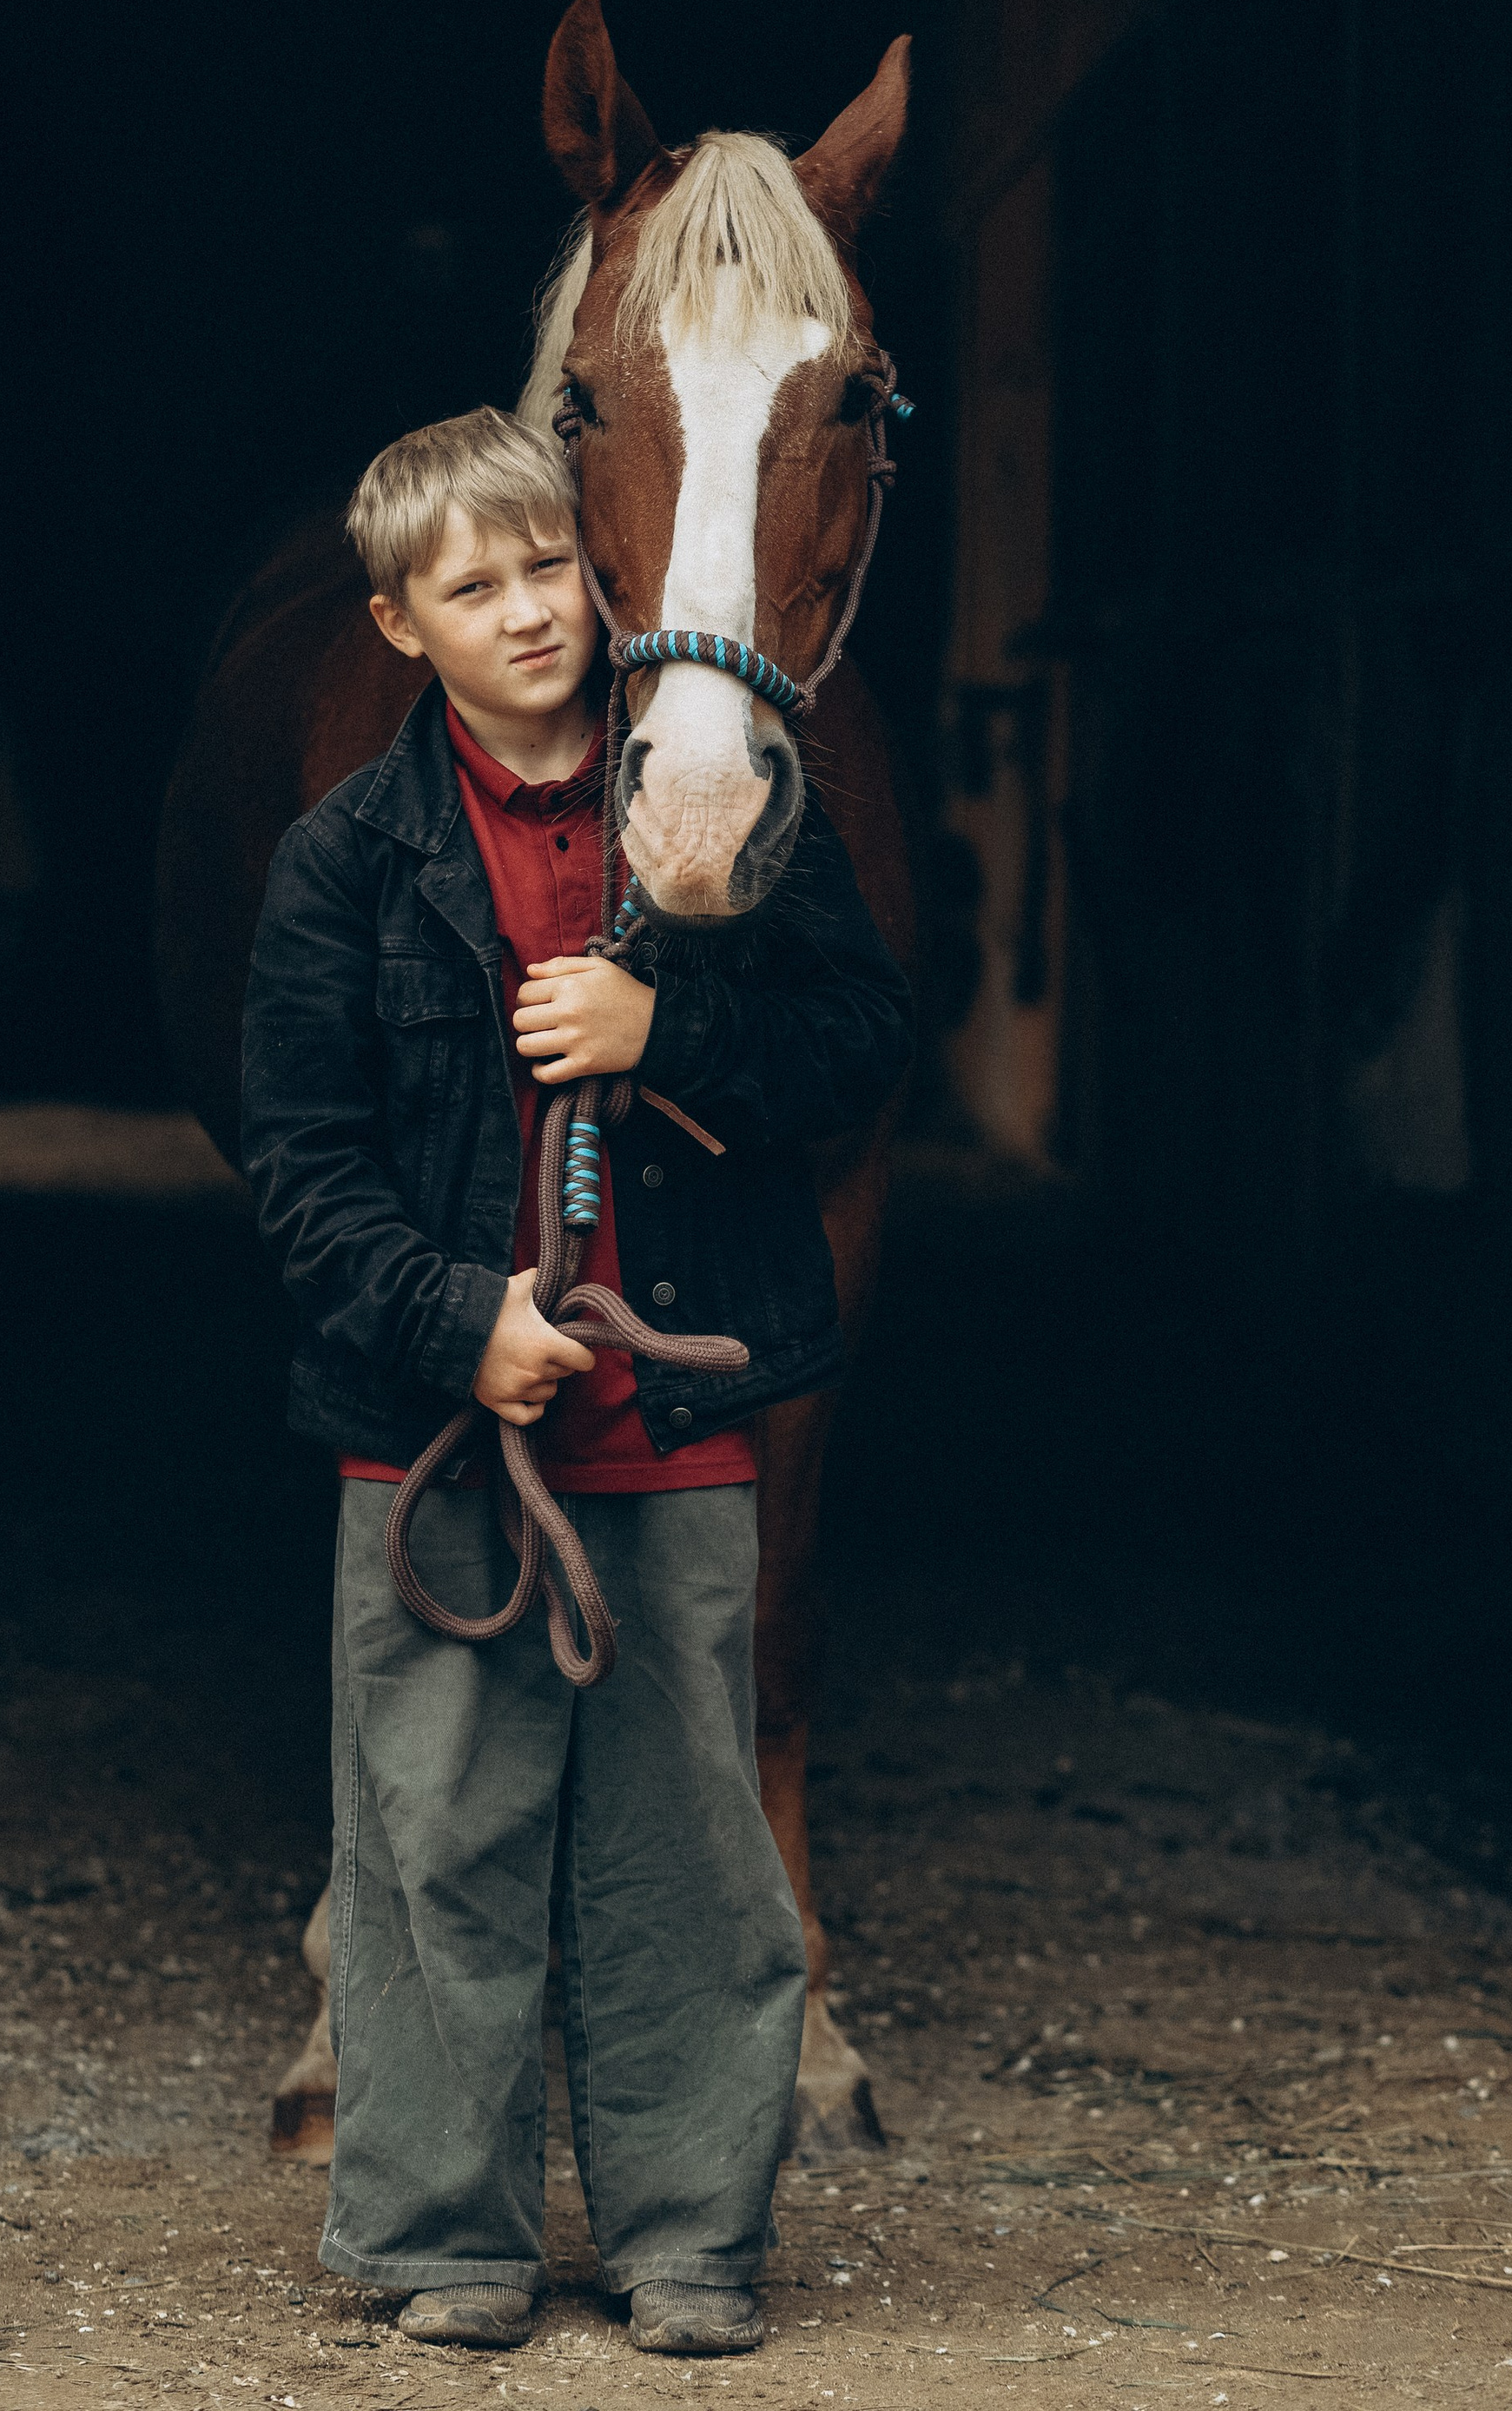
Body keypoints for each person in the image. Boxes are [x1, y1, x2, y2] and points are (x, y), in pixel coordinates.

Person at [240, 405, 911, 2357]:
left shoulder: (728, 822)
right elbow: (301, 1161)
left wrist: (664, 1013)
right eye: (474, 587)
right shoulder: (342, 864)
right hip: (440, 1436)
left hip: (678, 1429)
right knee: (433, 1837)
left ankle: (690, 2235)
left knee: (687, 1860)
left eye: (551, 570)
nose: (528, 613)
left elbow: (860, 1043)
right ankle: (441, 2227)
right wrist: (459, 1320)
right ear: (396, 624)